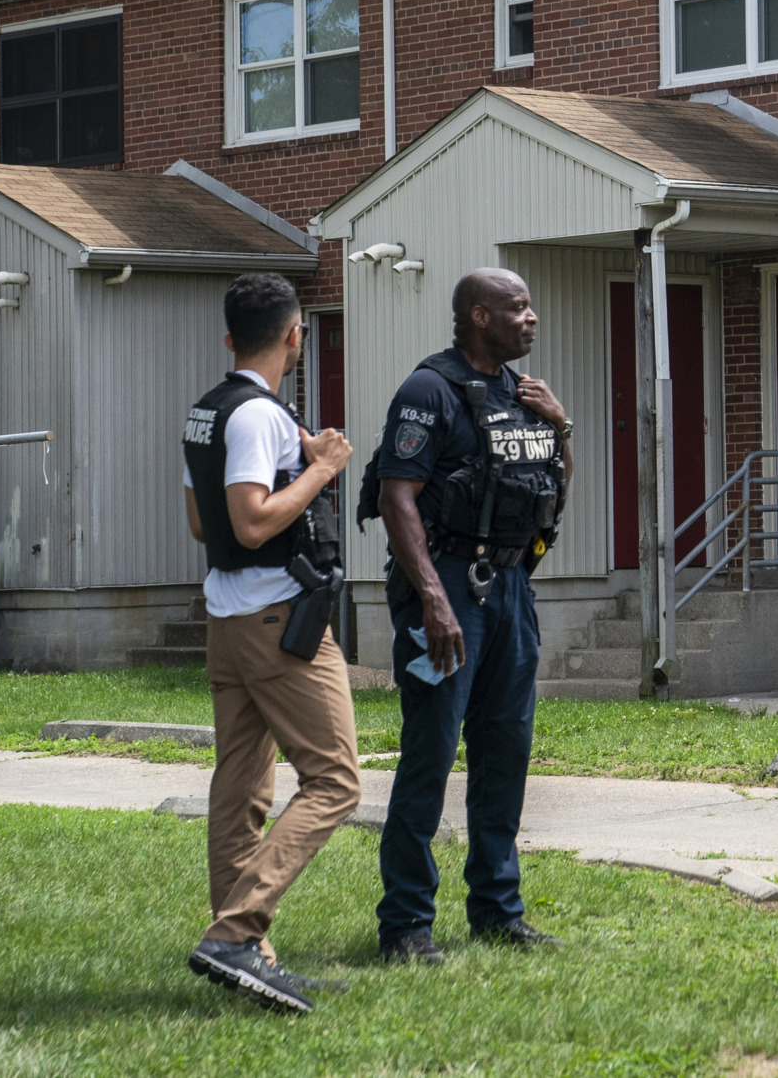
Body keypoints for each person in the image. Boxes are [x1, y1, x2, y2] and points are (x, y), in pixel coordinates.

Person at [372, 268, 571, 963]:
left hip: (511, 588)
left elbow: (549, 486)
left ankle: (497, 910)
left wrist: (561, 425)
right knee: (430, 750)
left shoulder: (523, 396)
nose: (532, 317)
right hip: (449, 587)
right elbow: (399, 500)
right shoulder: (429, 390)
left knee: (505, 752)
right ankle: (405, 922)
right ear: (480, 315)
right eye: (519, 308)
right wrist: (432, 599)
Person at [180, 272, 359, 1013]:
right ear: (294, 335)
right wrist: (320, 468)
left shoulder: (207, 410)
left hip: (227, 620)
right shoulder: (259, 416)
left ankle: (247, 953)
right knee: (335, 781)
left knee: (243, 788)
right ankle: (237, 930)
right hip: (276, 624)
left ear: (229, 337)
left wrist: (297, 453)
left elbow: (204, 523)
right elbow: (252, 521)